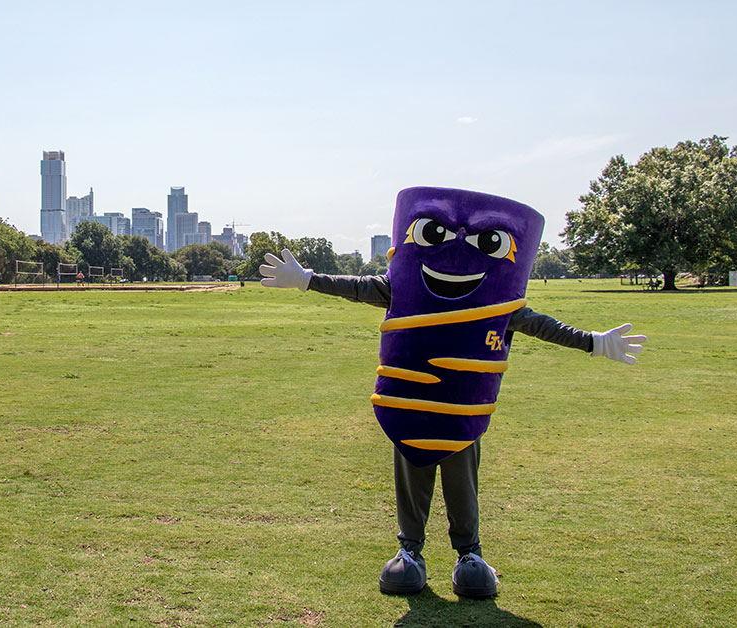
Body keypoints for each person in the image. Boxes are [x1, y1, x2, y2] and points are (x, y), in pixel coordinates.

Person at [259, 188, 646, 599]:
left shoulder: (499, 302)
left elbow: (542, 325)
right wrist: (306, 280)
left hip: (462, 406)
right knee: (413, 469)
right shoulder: (403, 289)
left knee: (462, 479)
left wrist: (592, 341)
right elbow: (358, 286)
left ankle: (469, 554)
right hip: (410, 404)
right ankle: (410, 550)